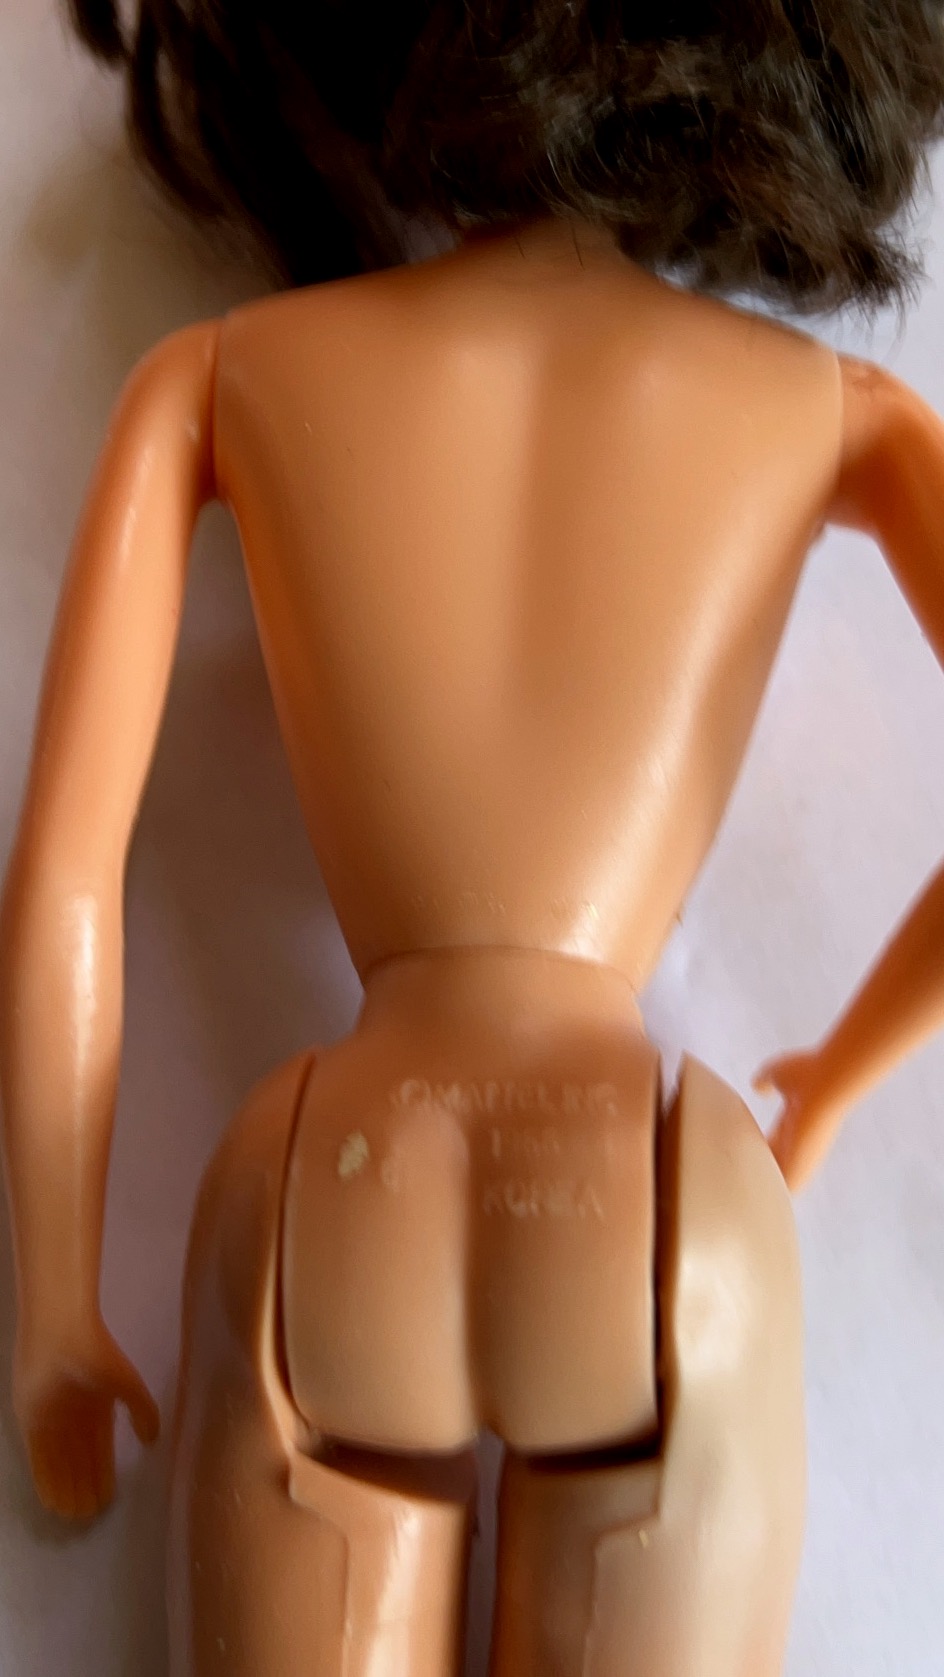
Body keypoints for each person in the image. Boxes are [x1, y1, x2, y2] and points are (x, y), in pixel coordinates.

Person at [3, 4, 944, 1672]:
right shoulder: (837, 408)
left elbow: (71, 864)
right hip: (659, 1211)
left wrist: (53, 1304)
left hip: (334, 1186)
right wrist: (840, 1066)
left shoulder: (225, 373)